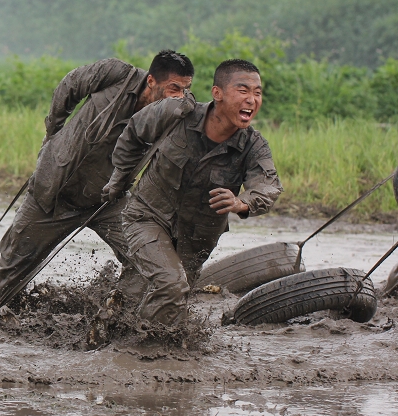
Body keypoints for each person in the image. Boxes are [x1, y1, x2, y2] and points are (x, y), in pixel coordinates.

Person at [0, 51, 195, 304]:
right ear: (151, 81)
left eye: (185, 89)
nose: (179, 95)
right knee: (9, 272)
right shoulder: (115, 74)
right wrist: (54, 131)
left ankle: (116, 313)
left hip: (108, 201)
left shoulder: (178, 112)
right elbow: (69, 86)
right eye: (174, 88)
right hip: (53, 193)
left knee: (150, 261)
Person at [104, 58, 283, 326]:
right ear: (217, 93)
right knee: (172, 286)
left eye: (257, 93)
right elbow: (134, 133)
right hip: (147, 217)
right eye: (243, 90)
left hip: (195, 240)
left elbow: (268, 186)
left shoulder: (253, 146)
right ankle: (137, 346)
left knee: (152, 296)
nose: (251, 100)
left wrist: (241, 203)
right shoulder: (176, 113)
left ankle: (109, 329)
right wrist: (120, 179)